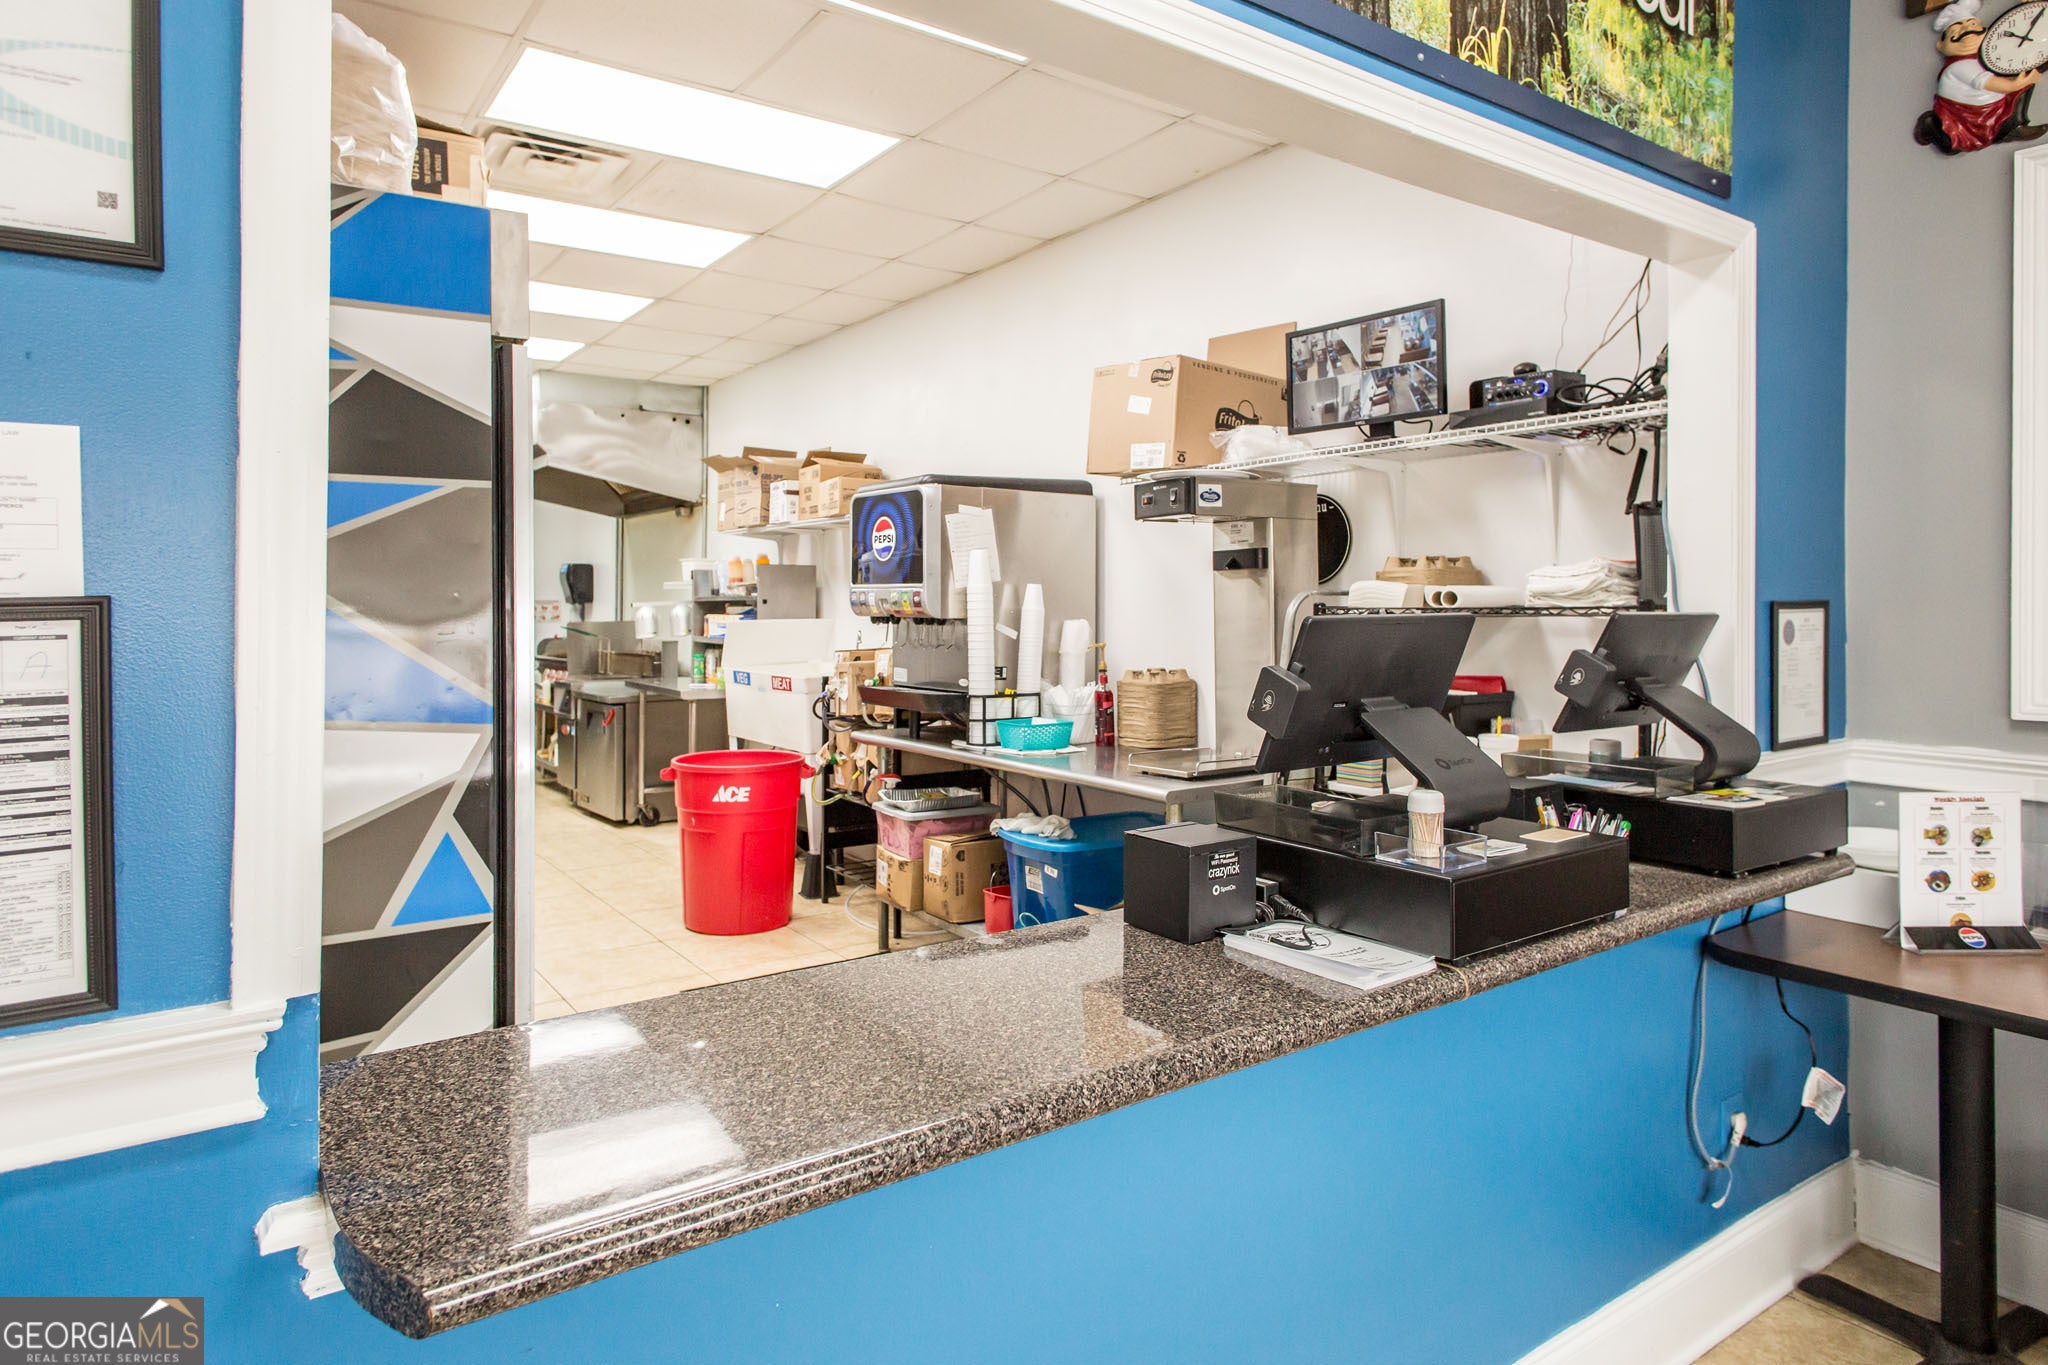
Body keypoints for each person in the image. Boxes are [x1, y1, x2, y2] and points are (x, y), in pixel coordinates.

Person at [1915, 0, 2048, 155]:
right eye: (1955, 31)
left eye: (1973, 25)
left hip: (1993, 108)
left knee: (2022, 85)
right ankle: (2010, 128)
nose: (1966, 30)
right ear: (1941, 45)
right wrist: (2018, 84)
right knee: (2021, 85)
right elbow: (1990, 83)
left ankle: (2013, 126)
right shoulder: (1959, 66)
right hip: (1973, 115)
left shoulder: (1989, 59)